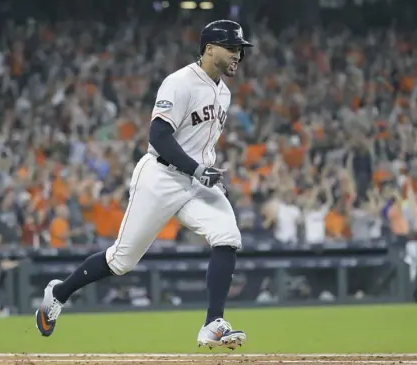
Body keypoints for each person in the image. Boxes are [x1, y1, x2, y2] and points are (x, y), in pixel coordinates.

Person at [35, 20, 254, 350]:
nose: (239, 55)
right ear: (210, 49)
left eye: (240, 50)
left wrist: (202, 171)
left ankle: (213, 324)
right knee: (121, 261)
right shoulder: (178, 82)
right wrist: (196, 169)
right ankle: (59, 293)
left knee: (227, 236)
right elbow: (158, 136)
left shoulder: (224, 92)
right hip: (161, 177)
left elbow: (198, 142)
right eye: (233, 48)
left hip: (195, 181)